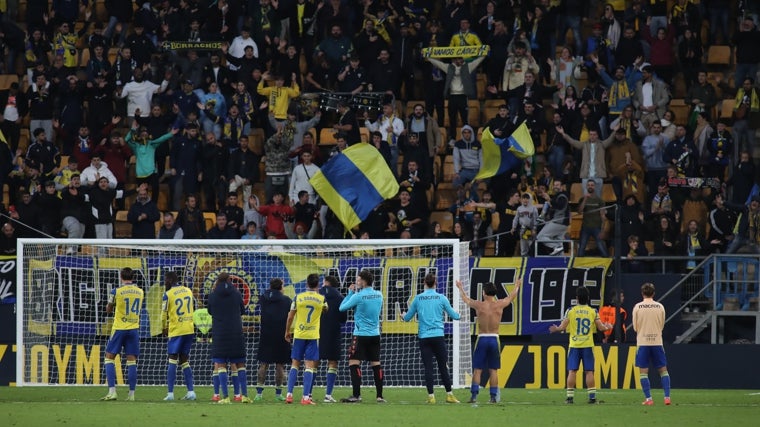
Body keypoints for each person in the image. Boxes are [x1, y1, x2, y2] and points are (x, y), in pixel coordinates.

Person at [455, 278, 521, 404]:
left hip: (482, 339)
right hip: (494, 339)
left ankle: (474, 396)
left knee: (478, 370)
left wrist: (460, 288)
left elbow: (466, 299)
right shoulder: (500, 304)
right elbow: (512, 297)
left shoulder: (479, 305)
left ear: (484, 293)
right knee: (493, 370)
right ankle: (492, 397)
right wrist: (517, 286)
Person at [402, 273, 461, 404]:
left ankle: (431, 397)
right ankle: (449, 395)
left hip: (424, 337)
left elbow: (407, 318)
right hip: (438, 337)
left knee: (428, 367)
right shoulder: (441, 298)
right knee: (443, 367)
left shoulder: (418, 298)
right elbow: (455, 316)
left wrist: (403, 315)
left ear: (424, 282)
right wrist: (460, 314)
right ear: (436, 283)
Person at [549, 286, 611, 404]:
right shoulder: (593, 311)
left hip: (574, 345)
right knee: (589, 371)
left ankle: (569, 398)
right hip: (587, 345)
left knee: (572, 371)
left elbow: (562, 327)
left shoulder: (571, 311)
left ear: (576, 298)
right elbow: (601, 327)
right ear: (587, 298)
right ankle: (592, 398)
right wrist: (607, 326)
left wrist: (556, 329)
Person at [338, 270, 385, 403]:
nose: (357, 281)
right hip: (375, 334)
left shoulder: (358, 296)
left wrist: (350, 293)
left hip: (360, 335)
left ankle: (356, 395)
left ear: (363, 281)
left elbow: (341, 308)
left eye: (358, 279)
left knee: (354, 362)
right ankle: (379, 396)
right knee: (376, 364)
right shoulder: (379, 295)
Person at [284, 273, 328, 405]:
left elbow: (290, 316)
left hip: (299, 334)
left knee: (295, 363)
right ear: (318, 284)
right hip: (313, 336)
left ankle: (289, 395)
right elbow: (326, 310)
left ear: (306, 284)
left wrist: (287, 331)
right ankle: (305, 398)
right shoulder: (321, 299)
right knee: (309, 365)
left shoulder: (298, 297)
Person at [207, 272, 250, 404]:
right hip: (235, 331)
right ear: (229, 280)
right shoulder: (236, 293)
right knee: (240, 363)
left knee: (221, 364)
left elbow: (209, 311)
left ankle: (225, 397)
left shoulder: (213, 295)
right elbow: (242, 310)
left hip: (220, 332)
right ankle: (244, 396)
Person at [101, 268, 143, 401]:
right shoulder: (140, 292)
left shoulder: (116, 291)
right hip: (134, 328)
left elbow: (108, 309)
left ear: (121, 276)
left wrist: (111, 304)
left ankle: (112, 391)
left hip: (120, 328)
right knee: (131, 361)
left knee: (109, 357)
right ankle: (131, 395)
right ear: (133, 277)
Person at [632, 282, 672, 406]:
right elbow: (662, 324)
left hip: (643, 342)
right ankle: (667, 397)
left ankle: (649, 399)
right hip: (657, 342)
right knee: (663, 370)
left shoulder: (638, 307)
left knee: (643, 372)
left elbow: (635, 327)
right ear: (653, 293)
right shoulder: (660, 307)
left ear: (642, 293)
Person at [255, 278, 292, 402]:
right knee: (280, 364)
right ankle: (278, 394)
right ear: (281, 287)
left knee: (264, 363)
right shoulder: (286, 300)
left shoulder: (264, 298)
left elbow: (266, 294)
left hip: (266, 334)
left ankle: (259, 394)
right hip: (281, 335)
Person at [162, 272, 196, 401]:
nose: (165, 282)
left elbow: (163, 314)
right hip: (189, 328)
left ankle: (170, 393)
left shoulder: (168, 294)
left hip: (176, 329)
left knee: (172, 359)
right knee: (184, 360)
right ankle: (191, 391)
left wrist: (164, 327)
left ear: (170, 280)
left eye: (165, 280)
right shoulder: (188, 290)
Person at [319, 275, 347, 403]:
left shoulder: (317, 294)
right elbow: (343, 319)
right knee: (333, 362)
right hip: (334, 332)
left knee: (313, 362)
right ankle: (328, 395)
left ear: (325, 283)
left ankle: (307, 394)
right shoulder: (340, 297)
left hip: (317, 332)